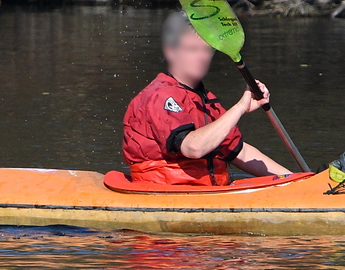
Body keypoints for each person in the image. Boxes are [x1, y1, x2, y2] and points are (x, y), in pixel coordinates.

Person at [123, 11, 292, 186]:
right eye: (192, 49)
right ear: (171, 52)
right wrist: (240, 108)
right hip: (168, 192)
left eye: (206, 50)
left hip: (207, 192)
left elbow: (239, 152)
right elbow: (193, 148)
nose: (202, 57)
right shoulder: (160, 96)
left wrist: (293, 180)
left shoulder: (207, 100)